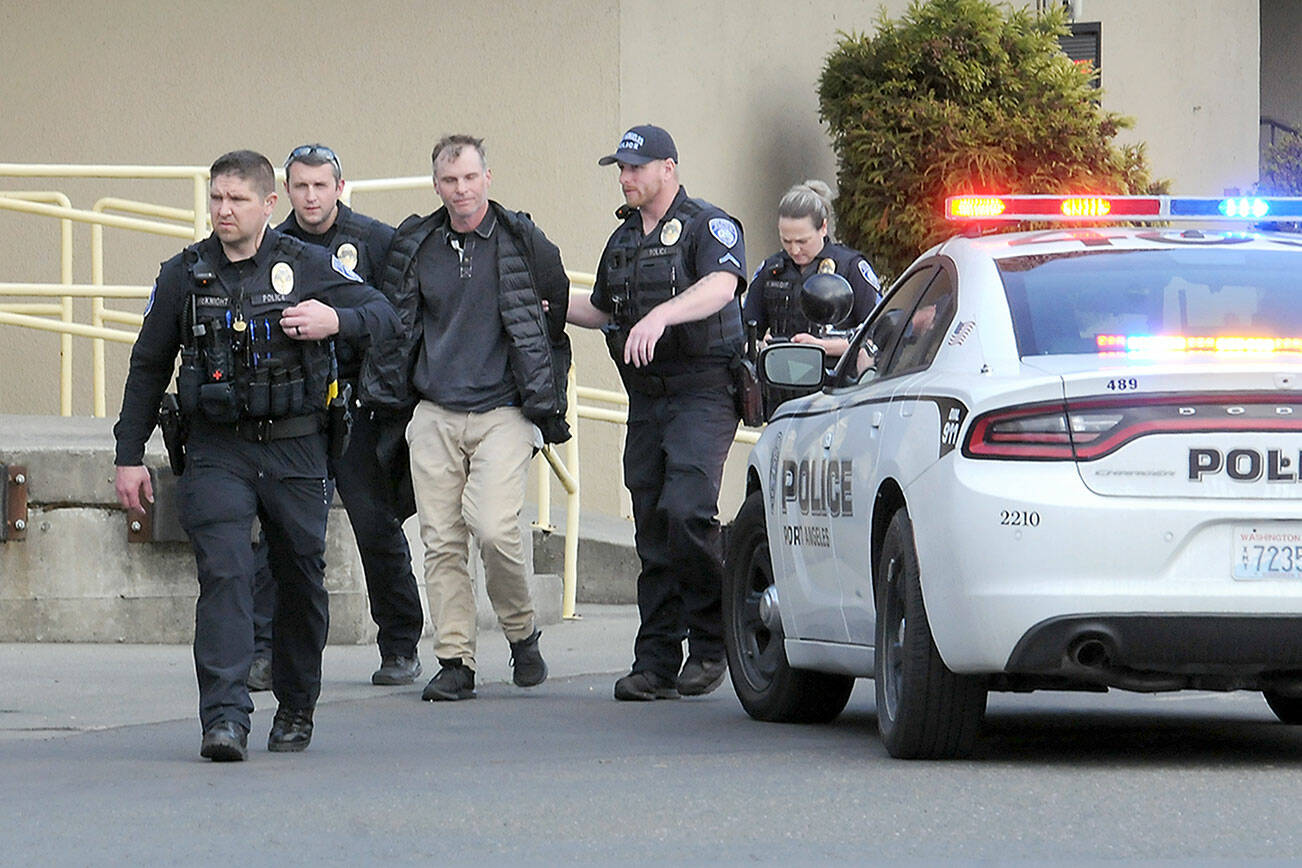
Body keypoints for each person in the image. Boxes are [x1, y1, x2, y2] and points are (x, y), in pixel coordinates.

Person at [113, 150, 399, 762]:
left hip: (296, 446)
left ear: (270, 204)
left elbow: (385, 316)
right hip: (218, 446)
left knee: (299, 576)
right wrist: (128, 454)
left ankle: (296, 706)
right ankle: (224, 717)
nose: (223, 210)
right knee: (224, 573)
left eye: (237, 199)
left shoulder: (308, 265)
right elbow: (147, 366)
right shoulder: (183, 275)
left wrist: (335, 320)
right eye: (216, 198)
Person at [357, 134, 571, 702]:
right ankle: (455, 660)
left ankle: (521, 632)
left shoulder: (523, 240)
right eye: (450, 181)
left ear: (488, 178)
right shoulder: (417, 243)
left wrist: (548, 399)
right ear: (436, 186)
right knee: (442, 541)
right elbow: (395, 322)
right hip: (433, 412)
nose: (462, 190)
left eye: (470, 178)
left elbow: (552, 318)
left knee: (497, 529)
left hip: (504, 410)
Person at [567, 125, 747, 701]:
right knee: (651, 522)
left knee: (687, 510)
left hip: (703, 391)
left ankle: (714, 640)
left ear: (668, 167)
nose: (626, 178)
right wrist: (536, 298)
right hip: (647, 399)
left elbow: (722, 286)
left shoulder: (706, 225)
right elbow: (598, 309)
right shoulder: (622, 240)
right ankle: (656, 661)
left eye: (636, 168)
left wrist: (661, 316)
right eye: (621, 169)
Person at [244, 144, 424, 691]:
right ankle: (265, 651)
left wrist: (337, 323)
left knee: (375, 526)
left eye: (322, 185)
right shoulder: (270, 246)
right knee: (281, 533)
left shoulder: (373, 240)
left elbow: (397, 319)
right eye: (301, 186)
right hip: (292, 410)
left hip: (357, 407)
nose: (312, 196)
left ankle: (399, 644)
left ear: (339, 188)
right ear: (285, 192)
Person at [742, 179, 880, 357]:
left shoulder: (850, 267)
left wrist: (820, 346)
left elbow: (877, 337)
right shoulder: (771, 269)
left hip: (837, 377)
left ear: (823, 227)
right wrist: (758, 346)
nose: (794, 250)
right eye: (786, 241)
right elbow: (746, 331)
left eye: (802, 241)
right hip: (781, 374)